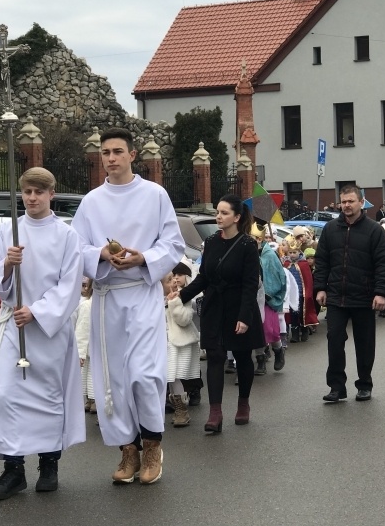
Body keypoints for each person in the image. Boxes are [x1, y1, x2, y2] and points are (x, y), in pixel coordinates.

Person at [74, 127, 184, 485]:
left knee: (144, 375)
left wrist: (143, 259)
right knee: (113, 379)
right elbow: (75, 247)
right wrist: (101, 254)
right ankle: (128, 449)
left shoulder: (154, 195)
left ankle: (153, 444)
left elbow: (173, 243)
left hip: (141, 294)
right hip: (108, 299)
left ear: (132, 155)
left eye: (118, 151)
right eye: (105, 152)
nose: (111, 158)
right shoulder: (91, 201)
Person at [0, 167, 85, 500]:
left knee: (48, 399)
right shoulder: (9, 231)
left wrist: (38, 311)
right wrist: (9, 265)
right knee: (9, 396)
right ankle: (13, 471)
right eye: (27, 192)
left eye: (39, 192)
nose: (32, 198)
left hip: (48, 332)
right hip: (16, 328)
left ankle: (49, 465)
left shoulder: (66, 235)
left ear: (51, 194)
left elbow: (69, 285)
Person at [175, 195, 265, 432]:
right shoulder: (212, 241)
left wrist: (245, 317)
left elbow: (250, 284)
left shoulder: (248, 245)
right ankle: (215, 412)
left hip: (240, 308)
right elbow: (204, 276)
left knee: (243, 357)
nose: (218, 216)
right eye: (217, 212)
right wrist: (180, 296)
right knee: (215, 357)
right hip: (215, 307)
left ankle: (243, 403)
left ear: (236, 217)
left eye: (224, 213)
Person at [313, 185, 385, 403]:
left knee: (364, 343)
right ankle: (337, 387)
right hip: (337, 296)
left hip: (365, 296)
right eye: (343, 201)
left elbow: (383, 263)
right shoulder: (330, 229)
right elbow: (322, 261)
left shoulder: (374, 230)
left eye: (350, 201)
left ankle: (364, 384)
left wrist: (380, 292)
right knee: (334, 339)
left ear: (361, 202)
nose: (346, 205)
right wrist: (320, 288)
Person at [163, 264, 201, 428]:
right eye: (169, 279)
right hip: (158, 342)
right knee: (164, 378)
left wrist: (174, 303)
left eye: (175, 278)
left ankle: (181, 409)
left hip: (175, 343)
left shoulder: (182, 298)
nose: (174, 281)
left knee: (174, 376)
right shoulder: (153, 300)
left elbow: (185, 320)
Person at [250, 222, 287, 373]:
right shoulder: (248, 252)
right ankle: (260, 360)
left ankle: (278, 350)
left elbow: (277, 276)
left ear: (260, 239)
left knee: (269, 330)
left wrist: (268, 292)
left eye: (256, 239)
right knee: (256, 330)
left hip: (267, 298)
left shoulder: (269, 255)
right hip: (252, 296)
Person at [75, 278, 96, 414]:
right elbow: (82, 330)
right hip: (89, 347)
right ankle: (91, 399)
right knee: (89, 374)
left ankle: (93, 399)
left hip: (100, 347)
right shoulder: (87, 305)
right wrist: (80, 353)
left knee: (93, 375)